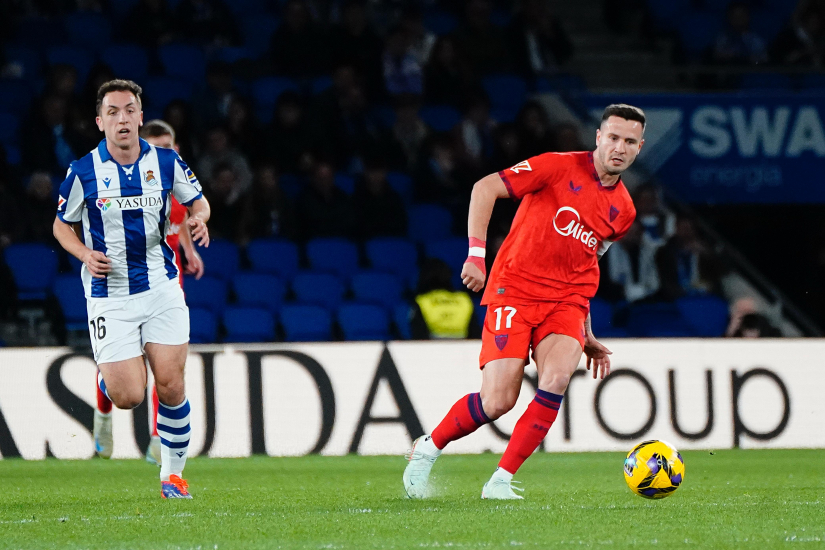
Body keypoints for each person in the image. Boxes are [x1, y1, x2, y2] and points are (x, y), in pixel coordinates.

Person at [403, 104, 643, 500]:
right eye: (613, 137)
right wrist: (476, 256)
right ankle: (427, 449)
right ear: (598, 137)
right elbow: (485, 188)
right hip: (514, 288)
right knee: (498, 401)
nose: (619, 147)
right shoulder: (555, 166)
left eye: (629, 142)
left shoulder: (625, 211)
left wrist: (586, 329)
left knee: (557, 379)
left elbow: (586, 264)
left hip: (565, 302)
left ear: (639, 148)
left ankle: (499, 481)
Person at [53, 80, 210, 499]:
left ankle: (173, 477)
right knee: (129, 396)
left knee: (172, 384)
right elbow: (60, 226)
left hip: (161, 286)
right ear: (100, 120)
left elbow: (198, 200)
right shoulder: (83, 171)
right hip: (111, 296)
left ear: (140, 116)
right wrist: (85, 253)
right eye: (114, 111)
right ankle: (107, 385)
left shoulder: (167, 163)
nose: (122, 118)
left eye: (129, 110)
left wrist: (199, 218)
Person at [92, 119, 205, 465]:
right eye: (157, 147)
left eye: (169, 147)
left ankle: (159, 442)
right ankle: (104, 403)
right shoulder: (129, 183)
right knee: (130, 375)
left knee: (166, 368)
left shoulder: (176, 179)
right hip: (125, 285)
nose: (164, 154)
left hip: (167, 282)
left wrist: (188, 250)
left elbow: (182, 215)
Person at [411, 259, 481, 340]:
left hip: (432, 349)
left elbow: (418, 336)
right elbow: (475, 333)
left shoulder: (422, 301)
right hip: (463, 349)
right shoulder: (464, 299)